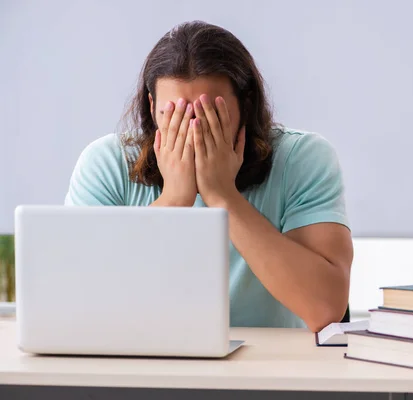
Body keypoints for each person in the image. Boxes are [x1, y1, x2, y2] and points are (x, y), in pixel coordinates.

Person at [64, 20, 353, 332]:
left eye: (209, 116)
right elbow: (76, 296)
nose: (192, 130)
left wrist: (223, 197)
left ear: (245, 105)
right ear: (151, 107)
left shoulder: (302, 158)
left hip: (270, 369)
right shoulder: (106, 163)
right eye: (172, 115)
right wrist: (173, 201)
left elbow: (325, 309)